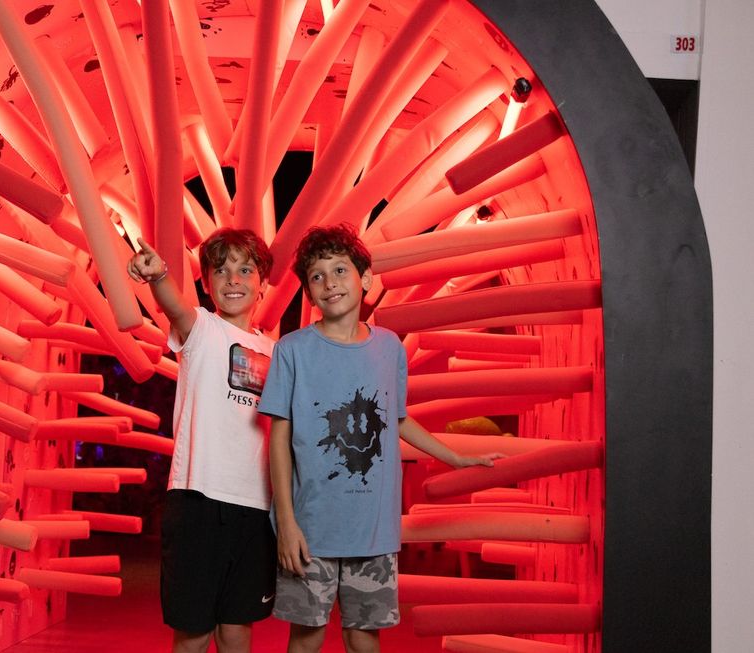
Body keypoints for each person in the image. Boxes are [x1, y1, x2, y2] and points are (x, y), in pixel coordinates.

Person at [258, 224, 503, 653]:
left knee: (364, 638)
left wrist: (456, 458)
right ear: (309, 293)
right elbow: (279, 437)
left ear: (365, 279)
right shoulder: (292, 350)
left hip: (373, 528)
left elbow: (397, 419)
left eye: (340, 270)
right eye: (317, 276)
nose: (330, 282)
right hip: (310, 528)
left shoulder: (390, 348)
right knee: (306, 638)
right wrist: (287, 525)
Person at [127, 228, 277, 653]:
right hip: (198, 502)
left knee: (236, 631)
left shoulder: (278, 351)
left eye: (245, 270)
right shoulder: (201, 329)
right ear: (208, 283)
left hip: (256, 509)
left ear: (261, 285)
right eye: (222, 270)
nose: (233, 279)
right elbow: (174, 305)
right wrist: (159, 277)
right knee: (194, 633)